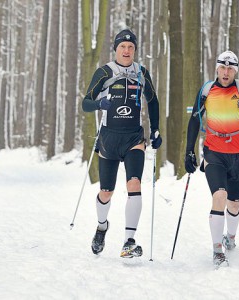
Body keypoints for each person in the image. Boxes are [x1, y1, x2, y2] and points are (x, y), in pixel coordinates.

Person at [81, 29, 161, 258]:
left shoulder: (141, 73)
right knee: (106, 192)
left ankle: (129, 241)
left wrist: (155, 129)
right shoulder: (104, 72)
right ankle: (102, 226)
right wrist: (100, 105)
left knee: (134, 183)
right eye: (122, 47)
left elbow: (153, 101)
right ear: (116, 49)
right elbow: (85, 103)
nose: (126, 51)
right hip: (108, 138)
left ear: (135, 50)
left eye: (131, 47)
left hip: (133, 137)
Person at [184, 50, 239, 267]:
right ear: (217, 69)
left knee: (234, 203)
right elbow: (194, 121)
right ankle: (216, 250)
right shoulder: (206, 91)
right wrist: (189, 151)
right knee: (219, 196)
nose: (226, 72)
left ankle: (230, 238)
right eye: (223, 67)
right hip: (214, 152)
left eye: (231, 68)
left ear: (235, 71)